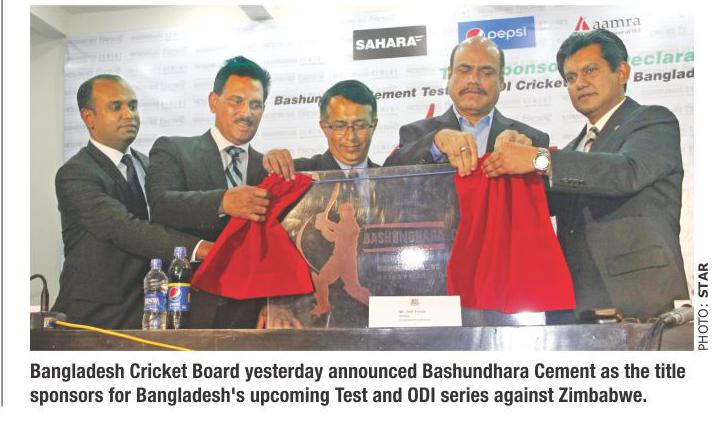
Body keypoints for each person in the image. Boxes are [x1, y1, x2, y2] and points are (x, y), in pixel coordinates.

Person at [480, 29, 689, 321]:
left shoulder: (653, 121)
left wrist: (537, 158)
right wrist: (511, 159)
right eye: (571, 77)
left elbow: (625, 172)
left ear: (622, 72)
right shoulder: (572, 150)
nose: (580, 83)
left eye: (590, 70)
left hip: (640, 302)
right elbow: (538, 205)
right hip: (574, 307)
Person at [52, 74, 212, 329]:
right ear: (88, 117)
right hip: (94, 316)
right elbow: (126, 229)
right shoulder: (76, 173)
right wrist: (201, 249)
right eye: (116, 107)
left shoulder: (149, 165)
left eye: (133, 106)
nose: (129, 115)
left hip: (150, 311)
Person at [147, 56, 291, 329]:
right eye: (236, 101)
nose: (246, 112)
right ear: (213, 101)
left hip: (253, 316)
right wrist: (223, 202)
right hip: (188, 308)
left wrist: (274, 302)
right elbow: (161, 206)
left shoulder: (269, 170)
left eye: (256, 105)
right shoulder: (174, 150)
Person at [382, 35, 549, 174]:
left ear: (501, 81)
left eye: (486, 72)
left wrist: (537, 160)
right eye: (464, 70)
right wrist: (435, 144)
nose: (474, 79)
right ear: (449, 76)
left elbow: (550, 194)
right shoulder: (417, 134)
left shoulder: (530, 139)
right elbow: (388, 179)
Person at [262, 79, 380, 179]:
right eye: (340, 126)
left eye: (360, 125)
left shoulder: (388, 178)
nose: (351, 136)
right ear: (324, 127)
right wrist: (271, 160)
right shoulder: (295, 173)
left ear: (374, 126)